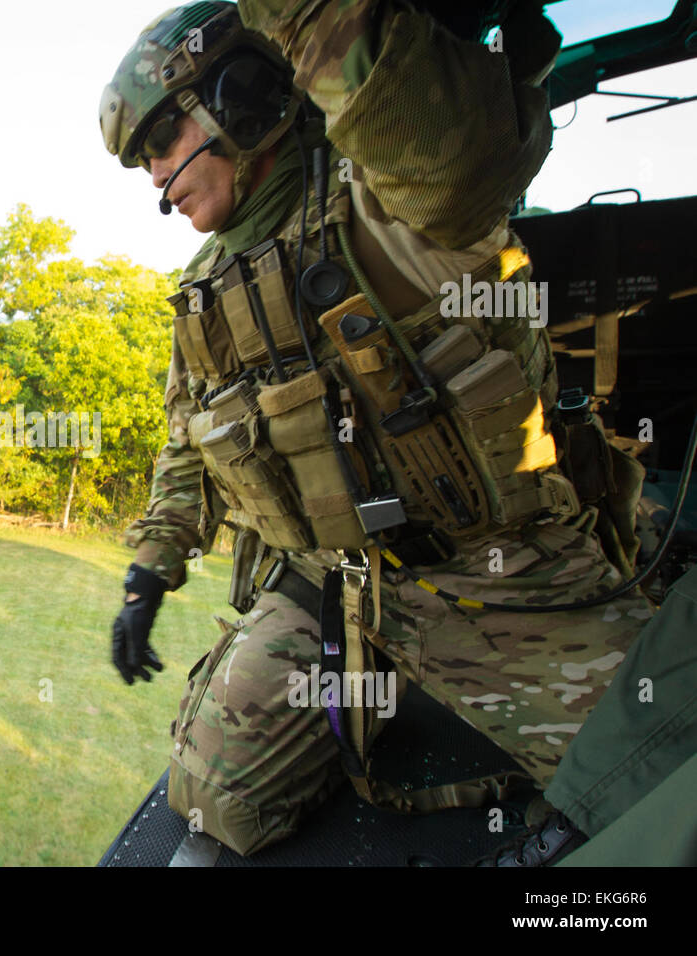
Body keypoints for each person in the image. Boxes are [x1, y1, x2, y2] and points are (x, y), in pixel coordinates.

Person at [101, 0, 660, 861]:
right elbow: (189, 443)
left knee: (656, 773)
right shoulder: (205, 289)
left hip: (487, 571)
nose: (155, 171)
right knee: (212, 798)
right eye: (142, 158)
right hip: (329, 584)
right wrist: (150, 571)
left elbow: (447, 160)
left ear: (244, 96)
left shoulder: (392, 205)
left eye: (163, 136)